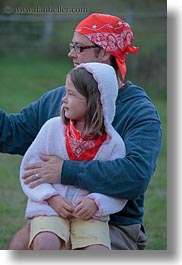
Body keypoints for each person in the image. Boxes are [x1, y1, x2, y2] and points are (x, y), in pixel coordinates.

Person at [1, 13, 162, 250]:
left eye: (79, 47)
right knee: (20, 244)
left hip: (112, 223)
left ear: (105, 52)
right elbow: (11, 133)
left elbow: (135, 176)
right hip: (55, 213)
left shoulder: (139, 112)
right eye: (71, 46)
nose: (71, 54)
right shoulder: (59, 98)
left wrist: (65, 171)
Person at [19, 62, 127, 250]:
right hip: (49, 209)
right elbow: (29, 171)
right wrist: (51, 197)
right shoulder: (52, 129)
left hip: (90, 216)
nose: (63, 99)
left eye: (71, 94)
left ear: (95, 101)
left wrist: (96, 202)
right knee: (46, 242)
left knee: (97, 252)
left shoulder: (113, 145)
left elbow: (118, 186)